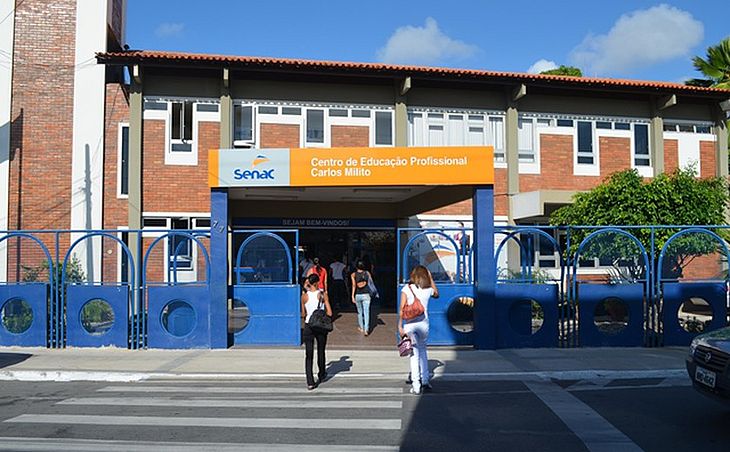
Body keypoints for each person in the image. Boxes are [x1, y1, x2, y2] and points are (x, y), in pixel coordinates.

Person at [398, 265, 439, 395]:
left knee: (414, 355)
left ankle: (416, 385)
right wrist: (431, 278)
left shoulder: (406, 289)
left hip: (410, 325)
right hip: (423, 324)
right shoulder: (428, 290)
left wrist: (400, 326)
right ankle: (425, 380)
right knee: (423, 351)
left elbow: (401, 309)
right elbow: (437, 294)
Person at [301, 273, 332, 390]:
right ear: (317, 282)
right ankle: (322, 373)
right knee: (321, 350)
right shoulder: (322, 295)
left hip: (308, 325)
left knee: (309, 354)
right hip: (320, 325)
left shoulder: (304, 296)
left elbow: (303, 314)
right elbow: (330, 312)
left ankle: (310, 381)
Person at [351, 260, 374, 336]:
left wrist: (352, 296)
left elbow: (354, 285)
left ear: (356, 266)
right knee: (366, 312)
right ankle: (366, 329)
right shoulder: (367, 273)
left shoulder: (353, 274)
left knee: (359, 312)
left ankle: (361, 327)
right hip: (366, 294)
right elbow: (371, 283)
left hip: (358, 295)